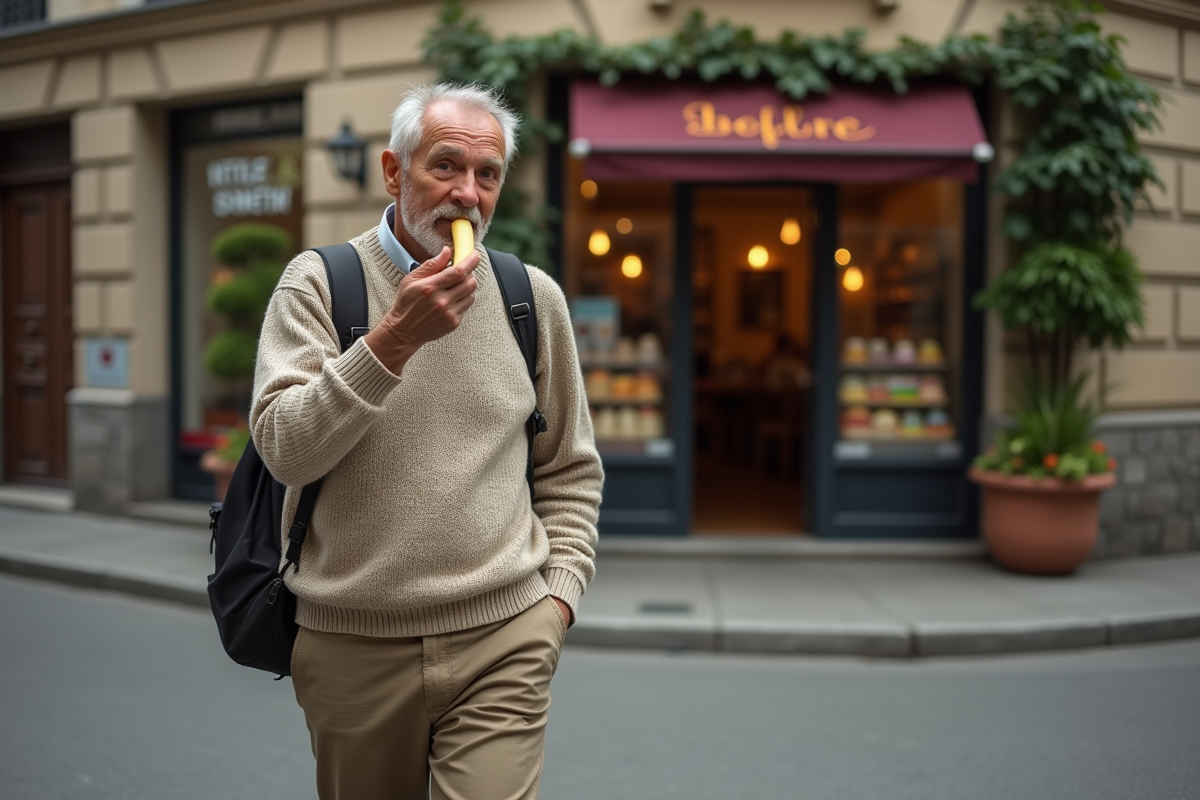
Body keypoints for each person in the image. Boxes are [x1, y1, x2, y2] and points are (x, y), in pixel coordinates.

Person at [250, 83, 604, 800]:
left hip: (505, 634)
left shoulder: (529, 297)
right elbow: (286, 450)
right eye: (445, 167)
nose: (467, 194)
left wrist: (556, 598)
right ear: (393, 172)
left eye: (488, 174)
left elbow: (569, 467)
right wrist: (392, 341)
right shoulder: (318, 285)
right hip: (352, 643)